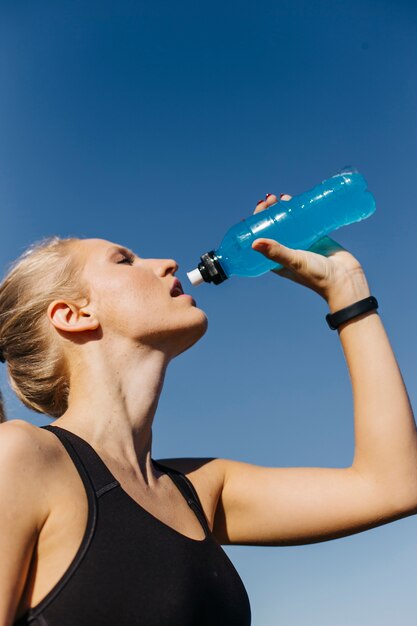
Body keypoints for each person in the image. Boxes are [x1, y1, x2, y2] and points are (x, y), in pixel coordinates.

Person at [0, 193, 416, 626]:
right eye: (124, 261)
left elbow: (396, 484)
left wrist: (346, 287)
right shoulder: (20, 457)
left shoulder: (199, 489)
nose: (166, 263)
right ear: (73, 315)